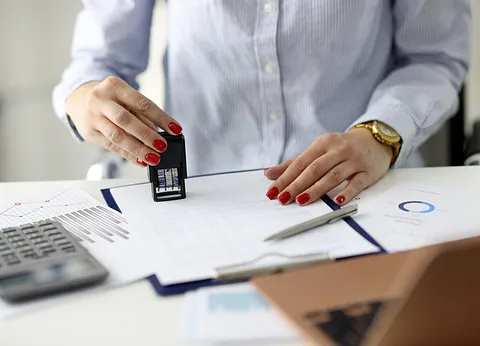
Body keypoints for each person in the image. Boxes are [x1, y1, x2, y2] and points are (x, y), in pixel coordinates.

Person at [53, 1, 470, 207]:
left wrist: (379, 134)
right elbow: (99, 59)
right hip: (205, 204)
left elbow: (435, 57)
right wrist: (84, 98)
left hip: (362, 196)